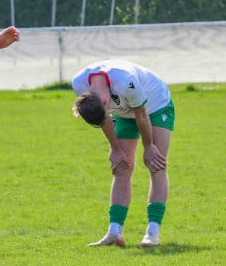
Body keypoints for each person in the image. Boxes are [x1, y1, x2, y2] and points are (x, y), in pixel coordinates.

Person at [71, 60, 174, 248]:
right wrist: (116, 149)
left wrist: (149, 146)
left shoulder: (125, 80)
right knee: (121, 167)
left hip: (155, 105)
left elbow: (142, 114)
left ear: (105, 102)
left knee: (156, 164)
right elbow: (104, 119)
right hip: (124, 112)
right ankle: (114, 232)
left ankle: (152, 233)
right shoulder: (79, 84)